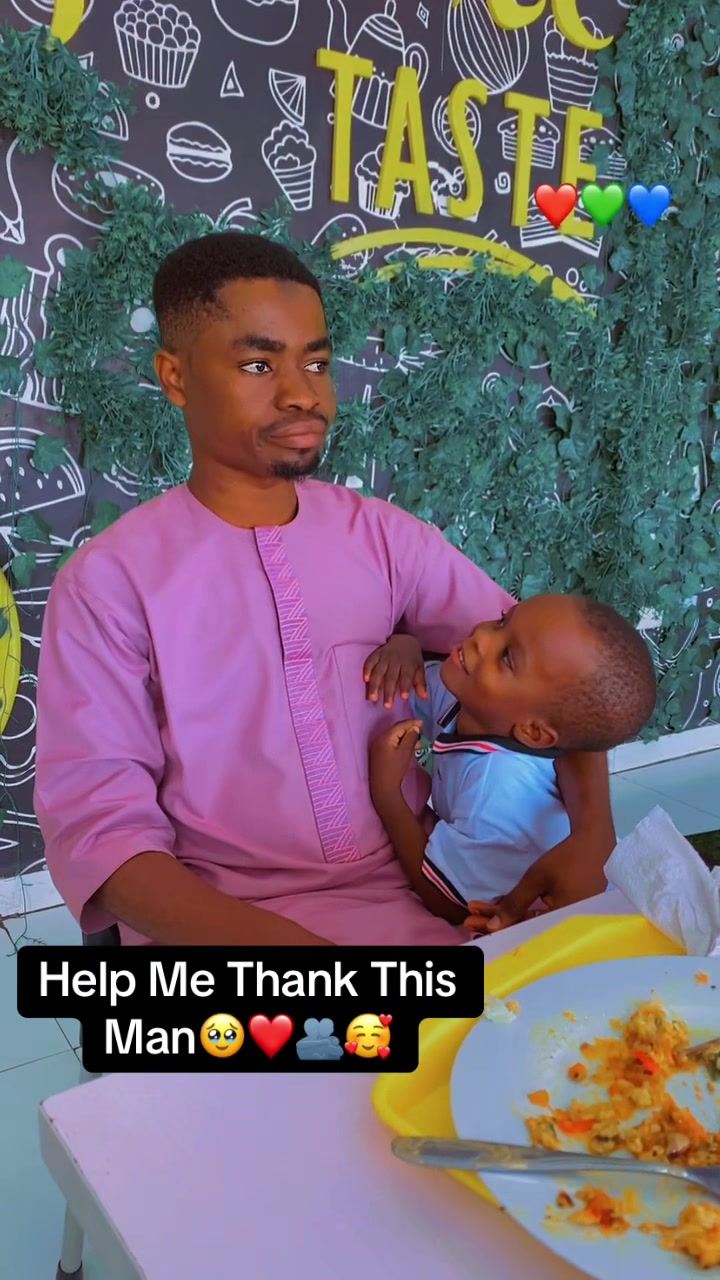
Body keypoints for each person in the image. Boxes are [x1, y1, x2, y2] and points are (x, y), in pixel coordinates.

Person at [34, 231, 616, 948]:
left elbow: (561, 679)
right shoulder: (108, 584)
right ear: (175, 377)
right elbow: (103, 838)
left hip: (423, 896)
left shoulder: (384, 538)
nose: (303, 394)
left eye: (316, 363)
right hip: (222, 927)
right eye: (258, 364)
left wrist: (593, 837)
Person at [367, 595, 656, 931]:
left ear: (533, 731)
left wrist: (388, 795)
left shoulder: (494, 794)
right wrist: (406, 647)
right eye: (503, 620)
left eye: (507, 658)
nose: (481, 635)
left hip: (589, 931)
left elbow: (448, 903)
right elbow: (412, 684)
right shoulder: (473, 695)